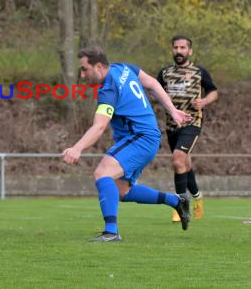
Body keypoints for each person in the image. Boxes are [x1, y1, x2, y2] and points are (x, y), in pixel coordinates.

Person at [62, 46, 192, 242]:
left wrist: (77, 148)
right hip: (145, 137)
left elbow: (99, 126)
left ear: (98, 66)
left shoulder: (109, 89)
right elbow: (153, 83)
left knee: (102, 173)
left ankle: (111, 232)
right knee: (121, 190)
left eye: (84, 69)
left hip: (139, 137)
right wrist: (172, 110)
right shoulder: (123, 68)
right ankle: (177, 201)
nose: (82, 74)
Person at [157, 35, 218, 222]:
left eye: (183, 48)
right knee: (184, 164)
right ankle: (198, 198)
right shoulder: (165, 73)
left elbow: (213, 92)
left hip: (192, 123)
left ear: (189, 51)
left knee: (177, 160)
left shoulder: (199, 72)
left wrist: (204, 101)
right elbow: (155, 91)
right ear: (172, 50)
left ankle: (180, 205)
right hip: (171, 125)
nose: (179, 51)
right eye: (176, 47)